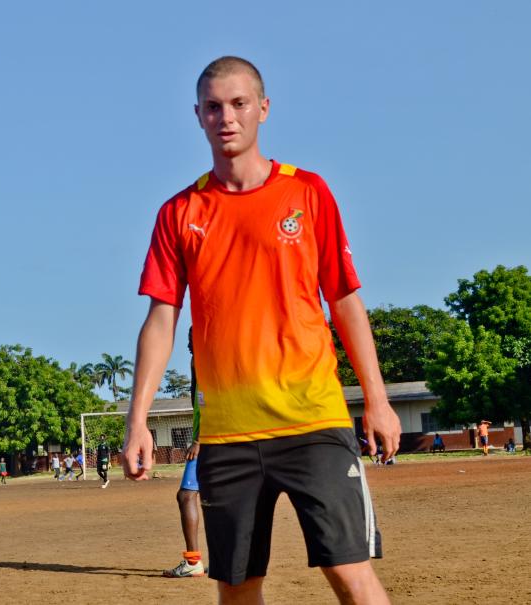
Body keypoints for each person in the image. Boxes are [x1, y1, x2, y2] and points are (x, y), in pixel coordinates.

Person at [123, 57, 401, 603]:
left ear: (263, 109)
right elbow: (161, 319)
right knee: (238, 587)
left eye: (239, 103)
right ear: (198, 116)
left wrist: (378, 398)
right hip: (228, 436)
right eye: (213, 106)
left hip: (313, 421)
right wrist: (137, 419)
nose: (226, 117)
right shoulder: (179, 212)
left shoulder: (308, 192)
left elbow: (344, 300)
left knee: (349, 572)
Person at [164, 329, 204, 578]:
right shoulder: (197, 360)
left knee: (186, 496)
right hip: (212, 434)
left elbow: (214, 398)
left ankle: (192, 562)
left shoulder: (206, 360)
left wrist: (199, 439)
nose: (188, 345)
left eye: (192, 340)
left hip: (210, 438)